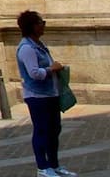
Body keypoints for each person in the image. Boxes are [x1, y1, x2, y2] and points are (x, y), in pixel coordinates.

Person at [16, 11, 76, 177]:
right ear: (33, 26)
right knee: (41, 130)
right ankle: (42, 167)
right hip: (37, 96)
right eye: (41, 22)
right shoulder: (27, 48)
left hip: (50, 94)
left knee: (54, 130)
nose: (44, 25)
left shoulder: (39, 45)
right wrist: (52, 69)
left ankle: (54, 165)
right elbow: (34, 73)